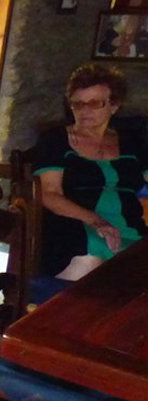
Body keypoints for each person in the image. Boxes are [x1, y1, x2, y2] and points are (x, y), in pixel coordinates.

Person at [33, 64, 148, 281]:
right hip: (74, 226)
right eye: (78, 104)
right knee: (95, 256)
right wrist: (95, 220)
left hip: (130, 227)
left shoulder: (131, 142)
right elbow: (48, 193)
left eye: (94, 103)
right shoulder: (56, 140)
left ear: (114, 106)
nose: (85, 111)